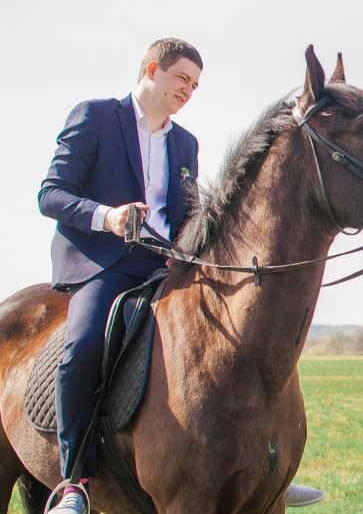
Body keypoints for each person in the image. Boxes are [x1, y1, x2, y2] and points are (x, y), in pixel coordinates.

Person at [39, 39, 326, 513]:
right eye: (182, 79)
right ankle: (74, 482)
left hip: (164, 264)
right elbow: (51, 194)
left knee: (244, 336)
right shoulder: (94, 117)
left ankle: (265, 473)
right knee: (83, 346)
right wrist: (108, 216)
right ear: (152, 69)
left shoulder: (185, 143)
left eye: (195, 85)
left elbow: (189, 217)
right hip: (104, 264)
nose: (189, 90)